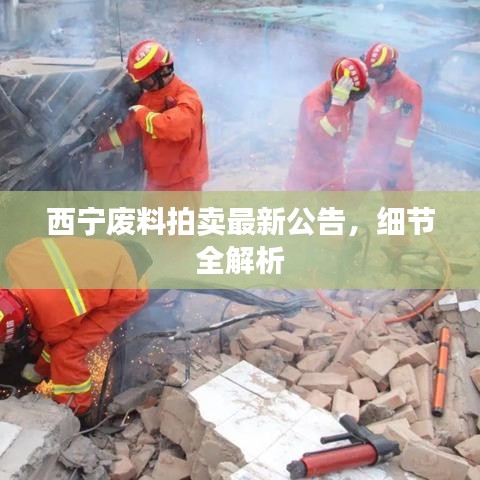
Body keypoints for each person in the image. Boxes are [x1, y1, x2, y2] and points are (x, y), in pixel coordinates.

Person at [0, 237, 152, 416]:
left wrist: (36, 372)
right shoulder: (17, 258)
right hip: (111, 259)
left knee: (66, 353)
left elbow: (56, 345)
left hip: (127, 290)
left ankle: (76, 409)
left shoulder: (56, 316)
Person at [97, 39, 209, 192]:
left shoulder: (189, 99)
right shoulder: (150, 97)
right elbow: (127, 131)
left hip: (183, 184)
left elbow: (171, 127)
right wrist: (97, 145)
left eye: (146, 82)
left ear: (163, 72)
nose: (144, 87)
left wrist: (141, 114)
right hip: (156, 180)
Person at [345, 43, 422, 191]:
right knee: (351, 189)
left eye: (375, 72)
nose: (373, 77)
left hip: (393, 154)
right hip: (369, 148)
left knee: (398, 198)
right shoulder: (376, 84)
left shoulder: (409, 89)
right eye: (369, 72)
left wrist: (397, 161)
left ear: (389, 68)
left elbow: (408, 130)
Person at [285, 57, 370, 191]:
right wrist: (337, 105)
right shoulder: (313, 101)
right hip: (308, 169)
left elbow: (344, 130)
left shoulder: (347, 99)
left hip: (333, 168)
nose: (353, 100)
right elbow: (321, 136)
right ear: (338, 86)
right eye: (353, 95)